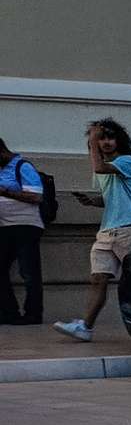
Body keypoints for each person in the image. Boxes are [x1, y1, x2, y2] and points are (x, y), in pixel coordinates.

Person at [55, 119, 131, 342]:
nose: (106, 142)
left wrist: (92, 140)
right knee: (98, 279)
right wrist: (93, 202)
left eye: (110, 137)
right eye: (101, 138)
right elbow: (114, 197)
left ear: (119, 140)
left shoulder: (127, 161)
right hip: (106, 232)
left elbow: (99, 167)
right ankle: (85, 326)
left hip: (127, 230)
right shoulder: (107, 167)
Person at [0, 136, 45, 325]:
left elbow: (36, 196)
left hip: (25, 226)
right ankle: (8, 311)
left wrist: (5, 192)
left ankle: (33, 313)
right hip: (4, 226)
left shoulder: (22, 166)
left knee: (29, 272)